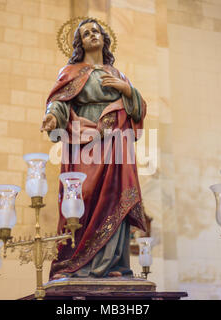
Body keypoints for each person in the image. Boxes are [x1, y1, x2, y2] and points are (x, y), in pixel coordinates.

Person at [41, 18, 147, 280]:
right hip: (84, 145)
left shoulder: (118, 74)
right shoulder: (71, 71)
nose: (91, 35)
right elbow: (60, 102)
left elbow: (139, 108)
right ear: (80, 42)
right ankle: (80, 264)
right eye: (86, 33)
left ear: (103, 37)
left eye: (95, 31)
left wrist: (127, 90)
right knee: (85, 200)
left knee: (115, 197)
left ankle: (114, 266)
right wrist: (53, 118)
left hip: (116, 145)